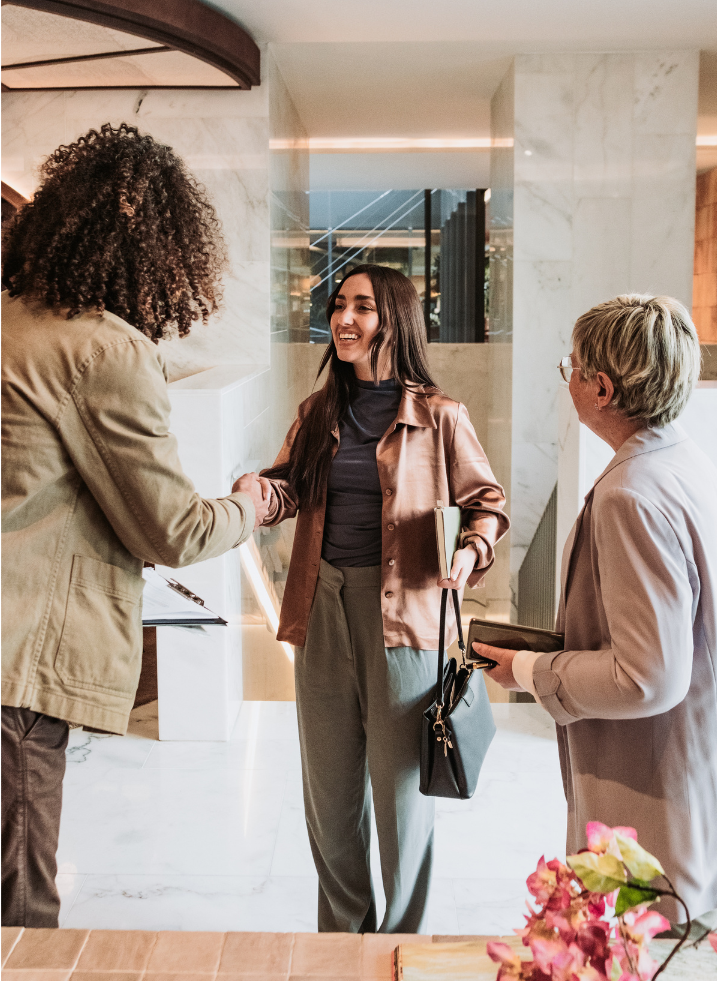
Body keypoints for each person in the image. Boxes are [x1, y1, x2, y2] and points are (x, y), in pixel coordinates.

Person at [0, 123, 269, 928]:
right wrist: (253, 506)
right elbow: (173, 531)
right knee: (20, 912)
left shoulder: (11, 323)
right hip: (13, 663)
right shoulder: (103, 352)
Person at [237, 264, 509, 934]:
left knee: (400, 802)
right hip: (321, 609)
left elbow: (487, 502)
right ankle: (343, 944)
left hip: (405, 622)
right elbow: (289, 488)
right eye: (338, 305)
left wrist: (470, 549)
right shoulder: (317, 412)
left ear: (395, 318)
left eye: (361, 306)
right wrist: (256, 495)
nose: (343, 318)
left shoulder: (440, 416)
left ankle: (399, 946)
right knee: (329, 800)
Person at [474, 294, 717, 926]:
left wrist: (530, 671)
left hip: (649, 790)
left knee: (636, 945)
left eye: (573, 367)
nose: (570, 378)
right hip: (688, 762)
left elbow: (646, 677)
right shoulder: (681, 460)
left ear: (601, 388)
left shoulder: (630, 495)